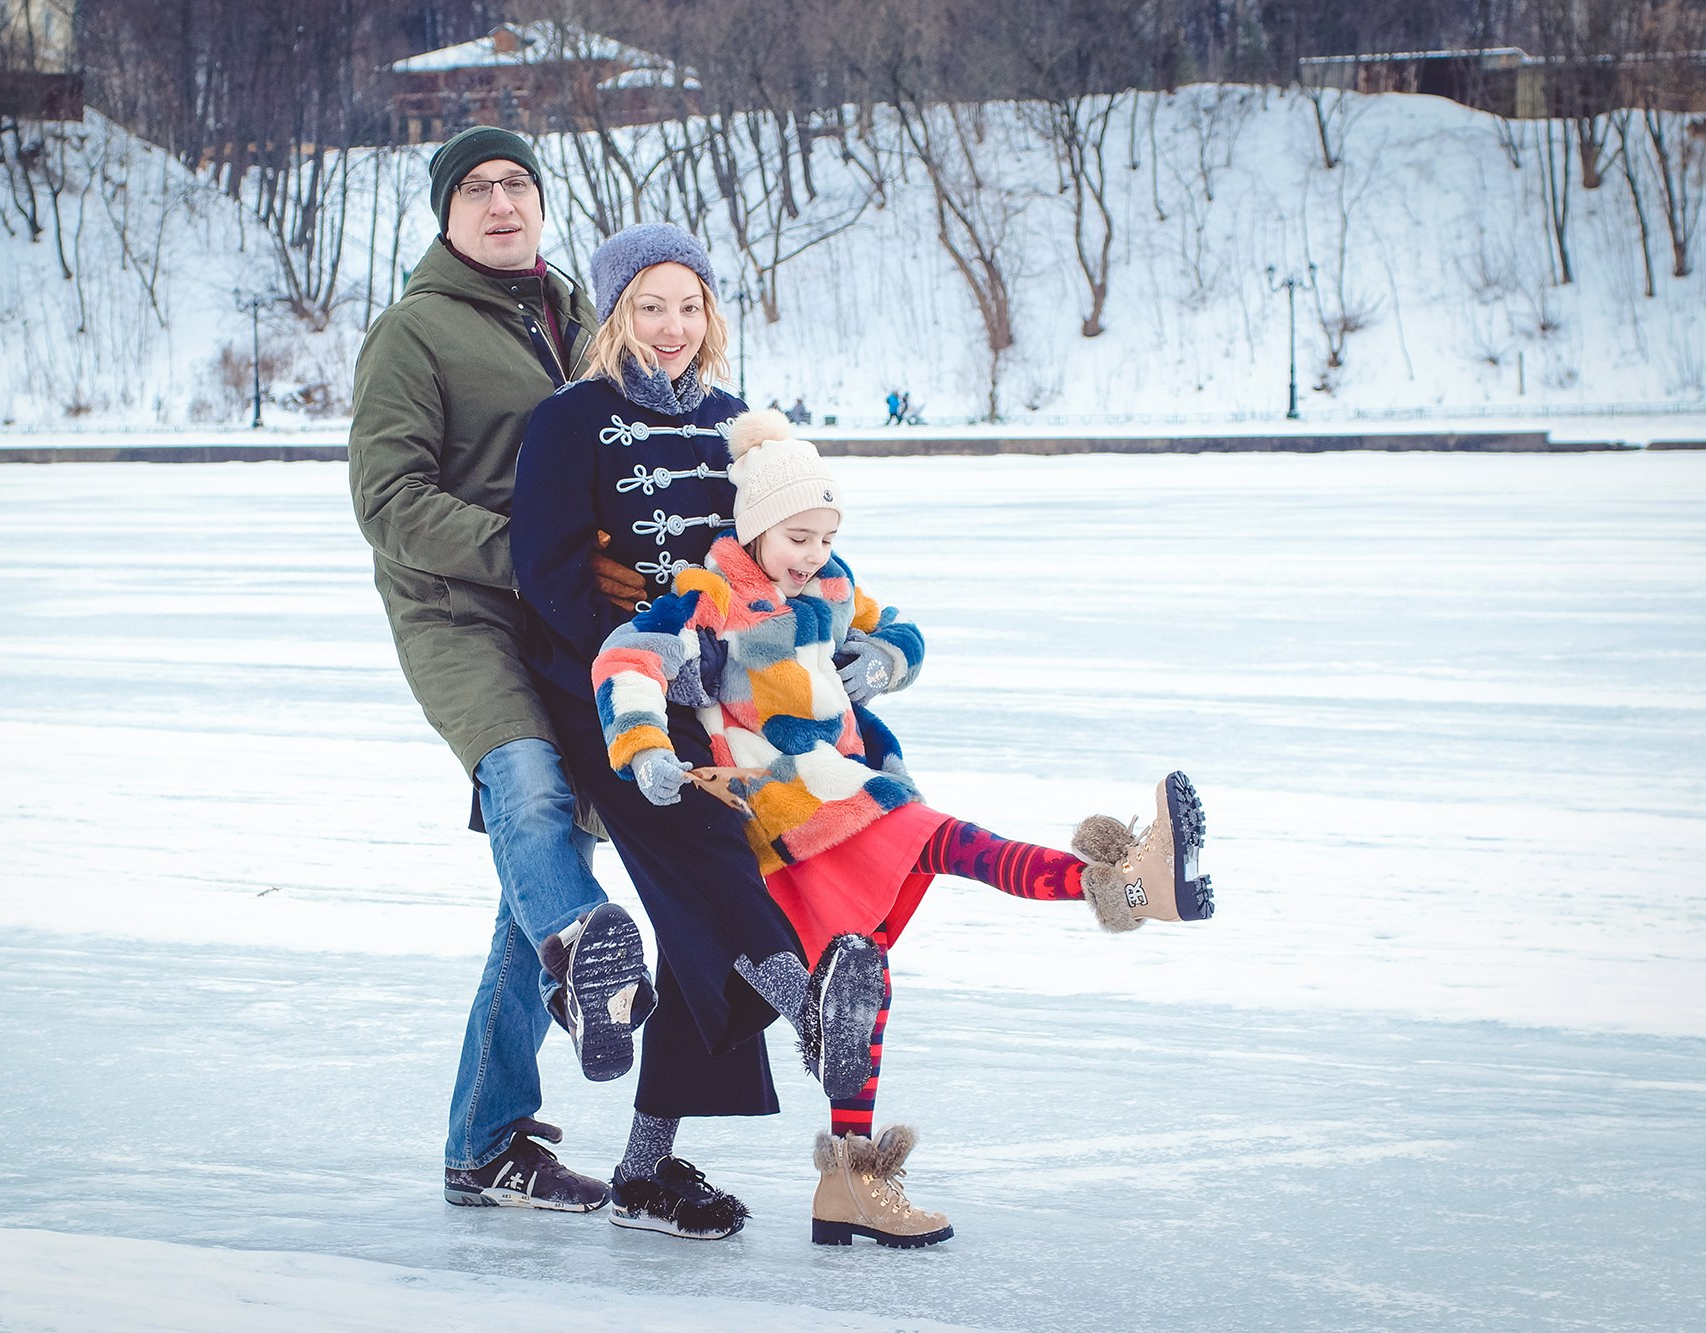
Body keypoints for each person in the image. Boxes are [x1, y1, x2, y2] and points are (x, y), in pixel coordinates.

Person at [590, 408, 1216, 1248]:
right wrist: (644, 748)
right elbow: (626, 657)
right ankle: (1125, 884)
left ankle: (847, 1182)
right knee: (948, 842)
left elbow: (899, 629)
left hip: (844, 789)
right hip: (790, 801)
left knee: (859, 981)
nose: (813, 554)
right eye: (797, 537)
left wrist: (885, 658)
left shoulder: (832, 586)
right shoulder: (716, 594)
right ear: (756, 526)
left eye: (825, 537)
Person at [511, 223, 888, 1241]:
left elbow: (786, 547)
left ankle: (643, 1172)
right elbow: (546, 572)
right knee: (713, 866)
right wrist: (640, 642)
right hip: (611, 694)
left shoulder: (734, 421)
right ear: (614, 315)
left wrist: (847, 633)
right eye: (649, 306)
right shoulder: (570, 420)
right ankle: (814, 1016)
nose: (671, 327)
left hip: (728, 697)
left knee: (695, 930)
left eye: (688, 306)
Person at [347, 125, 659, 1216]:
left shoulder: (582, 318)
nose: (500, 202)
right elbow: (387, 502)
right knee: (527, 787)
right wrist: (529, 556)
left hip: (568, 614)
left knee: (533, 878)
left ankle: (484, 1142)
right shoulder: (412, 332)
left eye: (517, 182)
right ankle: (583, 950)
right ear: (446, 213)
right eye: (476, 187)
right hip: (457, 611)